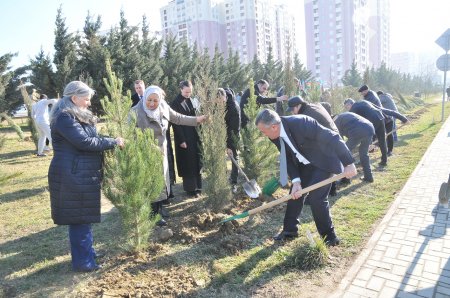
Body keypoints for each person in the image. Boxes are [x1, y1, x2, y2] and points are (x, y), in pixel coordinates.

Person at [48, 81, 124, 272]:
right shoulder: (65, 118)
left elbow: (91, 136)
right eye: (86, 99)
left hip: (79, 172)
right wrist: (112, 142)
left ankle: (87, 252)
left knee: (83, 217)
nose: (89, 103)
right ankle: (84, 263)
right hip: (72, 174)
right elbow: (84, 142)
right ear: (74, 98)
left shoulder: (73, 115)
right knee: (79, 219)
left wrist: (110, 138)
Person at [255, 109, 357, 245]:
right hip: (304, 164)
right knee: (294, 194)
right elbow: (287, 158)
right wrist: (296, 181)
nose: (263, 134)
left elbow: (333, 138)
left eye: (263, 131)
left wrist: (348, 163)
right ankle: (289, 231)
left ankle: (330, 238)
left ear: (273, 127)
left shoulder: (301, 123)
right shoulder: (274, 135)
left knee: (316, 198)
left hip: (324, 161)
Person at [131, 85, 207, 224]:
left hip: (162, 151)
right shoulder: (135, 112)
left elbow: (177, 118)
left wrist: (196, 120)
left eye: (156, 100)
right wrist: (147, 146)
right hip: (145, 153)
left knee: (161, 181)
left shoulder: (163, 107)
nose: (152, 104)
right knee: (150, 182)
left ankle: (159, 208)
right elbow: (129, 134)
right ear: (145, 98)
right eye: (149, 100)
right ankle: (152, 214)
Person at [286, 96, 339, 195]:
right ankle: (332, 190)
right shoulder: (313, 106)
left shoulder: (307, 115)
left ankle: (321, 193)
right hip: (331, 137)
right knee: (327, 166)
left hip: (328, 140)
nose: (292, 113)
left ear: (299, 106)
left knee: (321, 165)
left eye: (293, 109)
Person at [344, 98, 408, 167]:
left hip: (372, 122)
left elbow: (353, 124)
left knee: (365, 143)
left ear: (350, 104)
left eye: (346, 106)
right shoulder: (365, 101)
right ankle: (384, 161)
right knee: (382, 140)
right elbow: (383, 110)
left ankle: (363, 162)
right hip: (380, 118)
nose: (347, 109)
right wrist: (403, 118)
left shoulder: (353, 109)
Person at [170, 80, 203, 197]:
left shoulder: (192, 100)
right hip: (184, 137)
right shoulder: (175, 103)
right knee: (188, 163)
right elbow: (176, 124)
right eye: (186, 92)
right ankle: (190, 189)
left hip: (195, 135)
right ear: (181, 90)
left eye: (190, 92)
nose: (188, 94)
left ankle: (198, 186)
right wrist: (181, 140)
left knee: (196, 161)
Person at [334, 112, 376, 182]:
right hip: (370, 128)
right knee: (364, 154)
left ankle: (346, 179)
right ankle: (369, 177)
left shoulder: (336, 122)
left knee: (344, 154)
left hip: (358, 131)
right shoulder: (345, 115)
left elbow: (340, 141)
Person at [220, 88, 241, 190]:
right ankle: (221, 178)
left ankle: (234, 179)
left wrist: (229, 145)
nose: (219, 104)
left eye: (221, 101)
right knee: (220, 157)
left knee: (233, 156)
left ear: (225, 97)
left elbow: (233, 130)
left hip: (233, 135)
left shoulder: (233, 108)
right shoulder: (219, 103)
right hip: (221, 134)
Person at [377, 90, 399, 155]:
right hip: (393, 113)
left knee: (392, 129)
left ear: (379, 95)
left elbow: (378, 102)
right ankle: (394, 139)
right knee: (392, 128)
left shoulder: (383, 97)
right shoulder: (387, 96)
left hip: (392, 114)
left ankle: (394, 139)